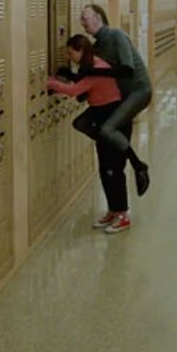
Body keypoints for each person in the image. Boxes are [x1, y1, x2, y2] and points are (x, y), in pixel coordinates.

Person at [47, 34, 133, 233]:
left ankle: (123, 214)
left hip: (114, 119)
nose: (70, 57)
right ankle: (113, 210)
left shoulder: (98, 69)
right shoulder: (91, 67)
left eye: (71, 53)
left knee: (114, 168)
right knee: (104, 167)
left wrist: (52, 84)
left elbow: (75, 90)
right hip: (101, 118)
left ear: (81, 50)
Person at [76, 4, 152, 196]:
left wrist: (92, 71)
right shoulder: (96, 47)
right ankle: (113, 143)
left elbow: (127, 70)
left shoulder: (117, 36)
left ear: (99, 17)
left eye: (85, 17)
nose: (82, 23)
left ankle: (139, 166)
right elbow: (93, 76)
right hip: (120, 95)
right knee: (83, 123)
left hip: (138, 91)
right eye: (81, 19)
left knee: (107, 130)